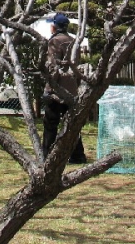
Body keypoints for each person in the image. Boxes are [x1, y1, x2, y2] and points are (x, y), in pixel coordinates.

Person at [42, 12, 87, 164]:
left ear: (54, 26)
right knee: (71, 125)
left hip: (58, 89)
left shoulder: (54, 42)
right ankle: (78, 155)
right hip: (72, 88)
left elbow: (53, 67)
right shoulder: (74, 41)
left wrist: (48, 89)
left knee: (50, 123)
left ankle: (47, 156)